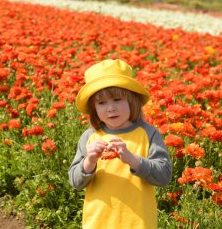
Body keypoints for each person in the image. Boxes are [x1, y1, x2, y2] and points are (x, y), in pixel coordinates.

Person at [69, 59, 172, 229]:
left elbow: (164, 176)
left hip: (138, 222)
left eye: (117, 100)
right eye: (101, 103)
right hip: (98, 222)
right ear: (94, 108)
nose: (110, 108)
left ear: (132, 101)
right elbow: (75, 181)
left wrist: (133, 160)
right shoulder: (90, 136)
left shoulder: (148, 133)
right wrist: (89, 161)